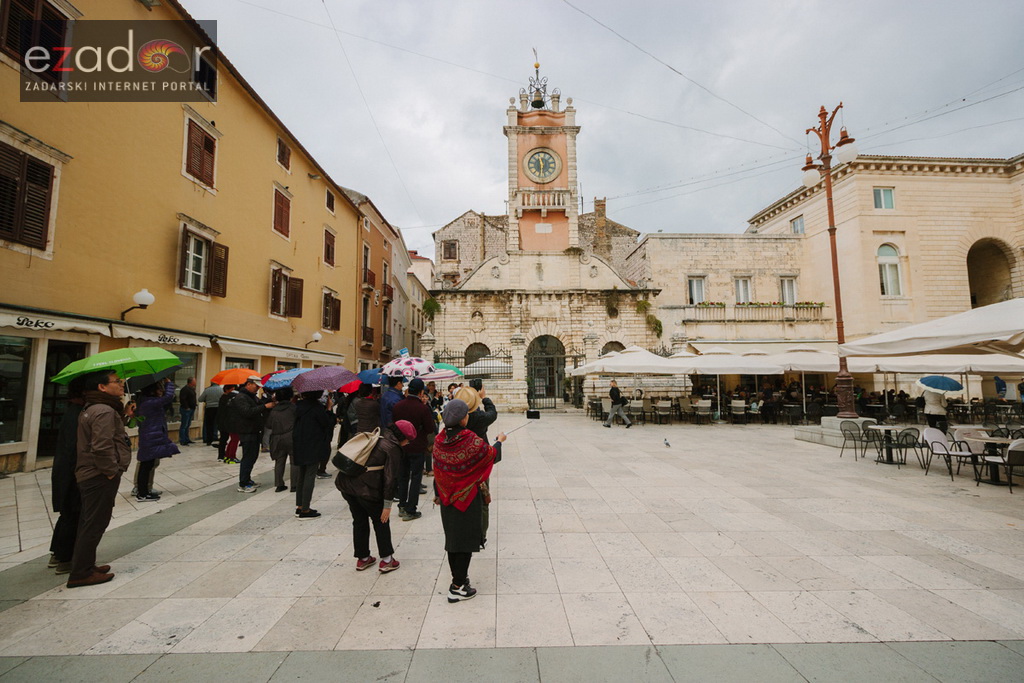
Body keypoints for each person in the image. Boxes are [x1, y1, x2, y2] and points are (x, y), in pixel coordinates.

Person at [433, 400, 505, 603]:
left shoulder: (440, 439)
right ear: (463, 418)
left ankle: (459, 579)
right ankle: (457, 587)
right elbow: (490, 455)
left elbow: (438, 468)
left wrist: (439, 492)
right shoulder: (469, 439)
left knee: (453, 541)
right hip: (466, 498)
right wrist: (499, 441)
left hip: (447, 498)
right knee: (464, 542)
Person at [67, 369, 133, 588]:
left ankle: (86, 565)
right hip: (98, 475)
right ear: (102, 387)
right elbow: (102, 445)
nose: (121, 385)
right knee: (95, 523)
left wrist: (124, 414)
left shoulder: (94, 408)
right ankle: (81, 573)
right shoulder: (103, 410)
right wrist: (110, 470)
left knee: (90, 521)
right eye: (116, 382)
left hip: (91, 473)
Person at [335, 420, 414, 573]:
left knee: (359, 520)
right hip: (367, 490)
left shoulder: (377, 434)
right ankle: (387, 560)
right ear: (402, 437)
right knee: (381, 521)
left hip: (347, 486)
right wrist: (387, 505)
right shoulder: (392, 448)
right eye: (408, 440)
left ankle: (363, 558)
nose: (408, 443)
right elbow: (390, 479)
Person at [48, 379, 86, 575]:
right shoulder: (77, 415)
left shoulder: (73, 412)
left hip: (68, 470)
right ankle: (65, 559)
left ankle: (57, 553)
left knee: (68, 513)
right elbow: (75, 447)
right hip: (73, 471)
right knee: (73, 513)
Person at [455, 384, 497, 548]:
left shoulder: (454, 419)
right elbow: (493, 413)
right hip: (480, 463)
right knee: (482, 499)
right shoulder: (479, 417)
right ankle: (481, 535)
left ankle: (464, 531)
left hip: (461, 463)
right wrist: (484, 397)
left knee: (464, 496)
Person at [392, 378, 436, 521]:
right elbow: (430, 428)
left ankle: (402, 506)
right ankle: (411, 509)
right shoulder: (422, 408)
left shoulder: (398, 406)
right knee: (416, 478)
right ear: (420, 392)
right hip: (417, 446)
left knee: (403, 476)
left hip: (401, 446)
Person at [225, 376, 275, 493]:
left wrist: (267, 402)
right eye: (256, 386)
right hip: (247, 431)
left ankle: (247, 479)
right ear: (248, 384)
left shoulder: (251, 397)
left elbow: (258, 405)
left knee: (253, 456)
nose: (257, 388)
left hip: (254, 430)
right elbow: (247, 412)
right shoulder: (241, 397)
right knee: (247, 457)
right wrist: (264, 407)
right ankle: (243, 483)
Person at [133, 378, 180, 501]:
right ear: (153, 391)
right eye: (159, 389)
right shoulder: (149, 402)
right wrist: (169, 383)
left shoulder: (146, 401)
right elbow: (168, 397)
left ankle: (145, 490)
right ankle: (142, 493)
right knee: (146, 466)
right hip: (151, 437)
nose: (161, 391)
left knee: (148, 465)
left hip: (152, 436)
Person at [292, 389, 334, 517]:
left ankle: (299, 505)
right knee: (310, 475)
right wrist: (329, 409)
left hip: (299, 443)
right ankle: (305, 509)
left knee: (302, 475)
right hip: (313, 444)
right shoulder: (317, 408)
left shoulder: (298, 406)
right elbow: (327, 424)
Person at [264, 386, 297, 493]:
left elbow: (269, 425)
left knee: (279, 462)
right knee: (294, 462)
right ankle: (294, 485)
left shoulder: (274, 410)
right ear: (290, 396)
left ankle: (279, 484)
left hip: (277, 438)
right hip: (292, 437)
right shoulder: (294, 408)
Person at [198, 380, 223, 446]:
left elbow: (200, 399)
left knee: (209, 424)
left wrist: (207, 400)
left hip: (209, 408)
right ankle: (218, 437)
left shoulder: (207, 390)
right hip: (219, 408)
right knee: (219, 423)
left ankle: (209, 440)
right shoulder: (221, 390)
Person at [217, 384, 238, 462]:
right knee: (225, 438)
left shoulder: (224, 397)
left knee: (224, 438)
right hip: (225, 421)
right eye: (232, 389)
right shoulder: (226, 398)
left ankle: (223, 454)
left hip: (223, 420)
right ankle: (222, 455)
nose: (233, 391)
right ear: (227, 389)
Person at [178, 377, 197, 445]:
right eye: (195, 381)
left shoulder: (192, 389)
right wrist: (186, 407)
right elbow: (182, 399)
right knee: (184, 425)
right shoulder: (185, 389)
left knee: (188, 424)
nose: (196, 382)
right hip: (186, 409)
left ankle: (187, 438)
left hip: (191, 409)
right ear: (191, 382)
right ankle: (182, 440)